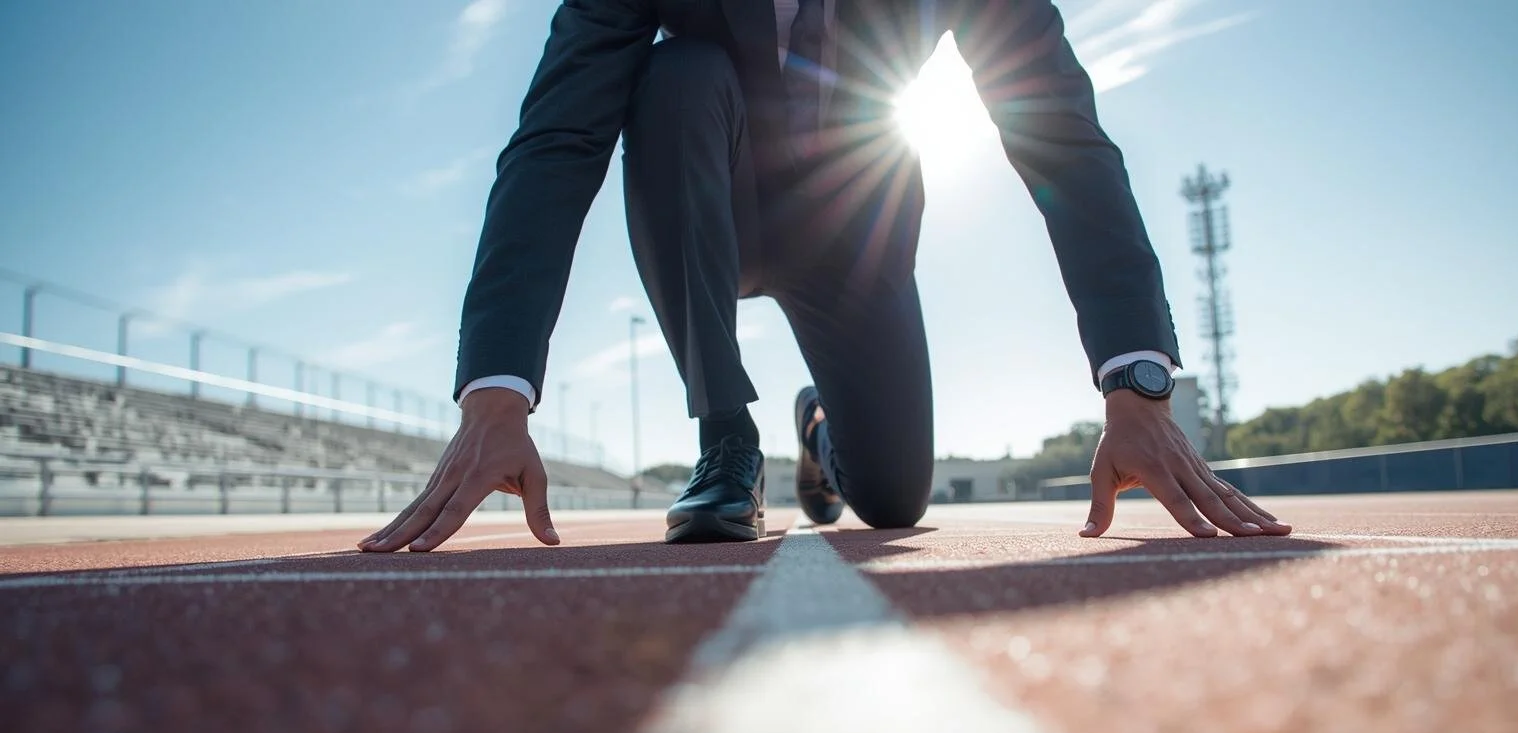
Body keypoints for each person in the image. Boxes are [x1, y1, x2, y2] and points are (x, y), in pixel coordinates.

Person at [358, 0, 1292, 554]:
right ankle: (725, 438)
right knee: (676, 77)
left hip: (853, 223)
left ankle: (818, 427)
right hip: (706, 197)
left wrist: (1136, 382)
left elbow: (1064, 141)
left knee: (893, 502)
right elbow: (557, 141)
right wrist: (497, 391)